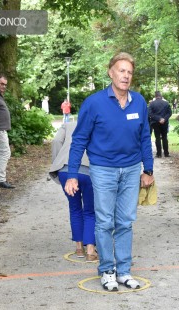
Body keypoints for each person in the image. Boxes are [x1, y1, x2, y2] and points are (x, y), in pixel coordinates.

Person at [64, 52, 155, 291]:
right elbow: (79, 139)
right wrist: (72, 173)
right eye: (121, 70)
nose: (126, 76)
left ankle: (123, 271)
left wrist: (148, 169)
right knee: (104, 221)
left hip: (132, 169)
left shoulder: (139, 102)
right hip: (103, 170)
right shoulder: (94, 103)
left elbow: (145, 137)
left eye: (129, 72)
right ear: (111, 72)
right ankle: (107, 270)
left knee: (125, 221)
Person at [49, 121, 97, 261]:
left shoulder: (68, 124)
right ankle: (90, 250)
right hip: (90, 170)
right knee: (90, 210)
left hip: (66, 169)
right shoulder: (99, 122)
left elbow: (57, 141)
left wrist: (57, 162)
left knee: (74, 208)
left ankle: (78, 247)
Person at [148, 91, 172, 157]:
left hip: (155, 122)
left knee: (157, 137)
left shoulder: (152, 104)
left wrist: (158, 119)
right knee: (164, 137)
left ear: (155, 96)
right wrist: (164, 119)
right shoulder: (166, 103)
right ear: (161, 96)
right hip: (164, 122)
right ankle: (166, 153)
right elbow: (169, 113)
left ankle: (159, 154)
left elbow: (150, 113)